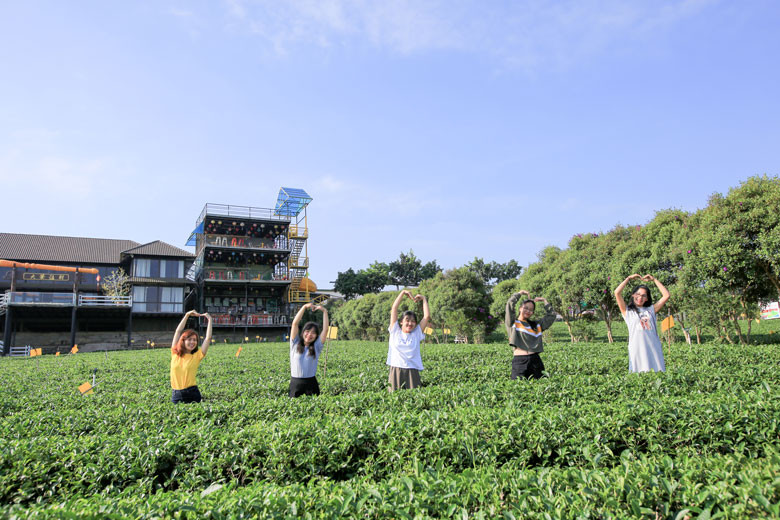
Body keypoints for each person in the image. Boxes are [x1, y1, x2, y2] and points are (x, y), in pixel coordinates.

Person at [614, 273, 670, 372]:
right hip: (637, 348)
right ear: (633, 295)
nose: (640, 297)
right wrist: (628, 278)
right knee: (637, 375)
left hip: (653, 348)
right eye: (638, 294)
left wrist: (654, 280)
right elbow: (617, 293)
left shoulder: (651, 310)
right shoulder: (627, 311)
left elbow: (666, 295)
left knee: (657, 373)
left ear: (647, 298)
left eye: (644, 295)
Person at [505, 290, 557, 379]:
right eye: (526, 308)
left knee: (541, 387)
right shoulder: (513, 323)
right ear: (520, 308)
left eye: (531, 310)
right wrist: (519, 294)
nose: (528, 311)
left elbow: (551, 315)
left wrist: (544, 301)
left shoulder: (536, 325)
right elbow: (510, 304)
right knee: (517, 388)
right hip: (519, 362)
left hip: (535, 361)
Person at [387, 290, 430, 391]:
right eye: (407, 320)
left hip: (412, 370)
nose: (410, 323)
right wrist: (402, 293)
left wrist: (424, 299)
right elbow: (394, 308)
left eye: (413, 321)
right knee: (394, 398)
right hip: (396, 369)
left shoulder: (416, 334)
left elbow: (426, 316)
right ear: (401, 322)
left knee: (413, 398)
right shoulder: (395, 331)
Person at [170, 310, 213, 403]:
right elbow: (178, 331)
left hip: (192, 393)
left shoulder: (197, 356)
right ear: (183, 341)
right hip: (176, 394)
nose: (192, 342)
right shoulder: (175, 353)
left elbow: (208, 338)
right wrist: (187, 315)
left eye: (195, 340)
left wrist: (210, 320)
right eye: (189, 339)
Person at [289, 302, 329, 397]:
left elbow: (325, 330)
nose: (309, 334)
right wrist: (304, 307)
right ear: (303, 332)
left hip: (311, 384)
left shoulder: (316, 346)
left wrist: (325, 312)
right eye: (307, 331)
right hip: (295, 383)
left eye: (313, 333)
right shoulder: (295, 343)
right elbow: (294, 323)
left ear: (316, 336)